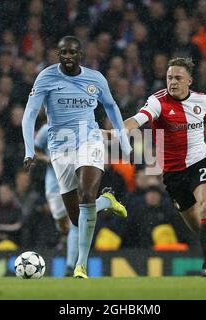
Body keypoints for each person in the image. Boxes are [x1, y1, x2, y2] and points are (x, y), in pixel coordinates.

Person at [123, 57, 206, 277]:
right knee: (199, 226)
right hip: (173, 174)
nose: (173, 82)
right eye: (169, 78)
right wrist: (122, 130)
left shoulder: (203, 101)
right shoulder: (158, 101)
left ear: (189, 80)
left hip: (200, 162)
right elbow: (138, 119)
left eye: (178, 78)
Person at [22, 36, 132, 278]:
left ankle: (80, 265)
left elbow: (112, 107)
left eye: (72, 53)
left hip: (88, 139)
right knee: (76, 219)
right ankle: (107, 201)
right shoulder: (47, 77)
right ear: (58, 55)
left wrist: (124, 142)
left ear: (80, 55)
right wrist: (30, 149)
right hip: (59, 149)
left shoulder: (95, 79)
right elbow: (29, 114)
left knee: (86, 195)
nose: (68, 57)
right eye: (63, 53)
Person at [34, 123, 127, 276]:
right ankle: (104, 201)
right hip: (54, 185)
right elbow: (35, 150)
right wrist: (49, 159)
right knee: (62, 225)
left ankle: (71, 266)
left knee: (77, 220)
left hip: (76, 182)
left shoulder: (82, 127)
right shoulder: (47, 129)